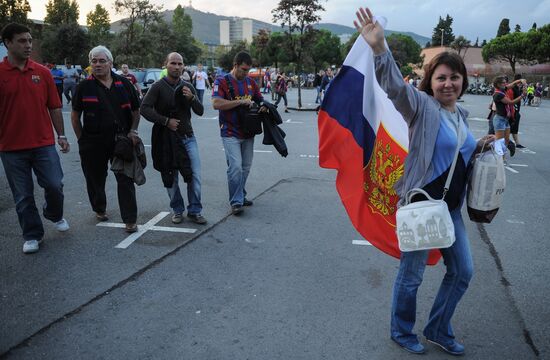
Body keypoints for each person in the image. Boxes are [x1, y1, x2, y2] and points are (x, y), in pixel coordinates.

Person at [354, 7, 495, 355]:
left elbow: (455, 153)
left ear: (463, 81)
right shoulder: (421, 107)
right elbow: (393, 88)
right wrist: (379, 48)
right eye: (441, 78)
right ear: (430, 82)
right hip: (421, 205)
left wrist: (478, 146)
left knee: (462, 271)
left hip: (450, 209)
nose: (448, 83)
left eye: (454, 77)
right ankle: (402, 331)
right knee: (412, 275)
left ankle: (436, 328)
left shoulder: (460, 114)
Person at [0, 23, 70, 254]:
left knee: (54, 184)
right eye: (22, 41)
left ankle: (54, 213)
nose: (28, 45)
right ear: (7, 43)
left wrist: (61, 135)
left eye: (29, 40)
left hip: (43, 144)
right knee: (23, 195)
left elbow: (55, 107)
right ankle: (32, 235)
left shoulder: (43, 72)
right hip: (10, 147)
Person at [71, 45, 141, 233]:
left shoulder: (124, 84)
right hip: (93, 142)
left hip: (121, 140)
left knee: (125, 179)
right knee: (95, 178)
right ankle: (99, 208)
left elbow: (136, 110)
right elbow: (75, 115)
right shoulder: (84, 87)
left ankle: (130, 219)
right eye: (94, 61)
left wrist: (133, 131)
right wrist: (82, 140)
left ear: (111, 63)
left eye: (102, 61)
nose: (98, 64)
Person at [141, 52, 207, 225]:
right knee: (170, 177)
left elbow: (200, 111)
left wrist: (192, 98)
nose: (177, 67)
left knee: (194, 176)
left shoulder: (187, 86)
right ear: (166, 64)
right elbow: (144, 109)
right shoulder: (157, 87)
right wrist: (165, 121)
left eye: (180, 64)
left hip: (187, 137)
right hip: (165, 139)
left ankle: (195, 210)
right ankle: (177, 209)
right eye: (173, 63)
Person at [212, 51, 267, 215]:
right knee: (235, 167)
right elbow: (216, 103)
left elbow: (259, 98)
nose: (246, 73)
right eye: (243, 69)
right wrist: (240, 102)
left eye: (248, 70)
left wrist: (263, 105)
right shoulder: (221, 81)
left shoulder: (250, 82)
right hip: (229, 131)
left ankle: (240, 195)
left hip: (248, 132)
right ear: (235, 65)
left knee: (245, 167)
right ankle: (236, 201)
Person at [492, 75, 523, 159]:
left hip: (505, 119)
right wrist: (522, 96)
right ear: (498, 84)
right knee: (499, 142)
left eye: (505, 82)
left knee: (505, 141)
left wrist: (519, 80)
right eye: (503, 82)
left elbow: (511, 85)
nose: (505, 84)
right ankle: (498, 159)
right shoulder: (498, 94)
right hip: (500, 119)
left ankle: (502, 159)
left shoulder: (502, 89)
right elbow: (511, 102)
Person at [511, 74, 525, 148]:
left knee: (515, 127)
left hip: (516, 110)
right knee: (509, 127)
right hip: (513, 110)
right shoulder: (513, 87)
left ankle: (517, 143)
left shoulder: (517, 87)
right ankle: (509, 142)